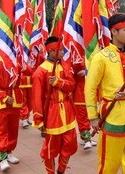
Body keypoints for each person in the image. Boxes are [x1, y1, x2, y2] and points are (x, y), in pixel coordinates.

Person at [85, 13, 125, 174]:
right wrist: (93, 116)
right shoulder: (101, 57)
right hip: (113, 116)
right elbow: (90, 88)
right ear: (113, 31)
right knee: (109, 164)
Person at [32, 36, 78, 174]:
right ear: (52, 51)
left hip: (68, 112)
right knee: (51, 148)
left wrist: (58, 82)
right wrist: (38, 119)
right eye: (60, 50)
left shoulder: (65, 66)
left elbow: (72, 86)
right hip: (52, 114)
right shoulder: (41, 71)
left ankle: (61, 170)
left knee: (69, 144)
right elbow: (37, 98)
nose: (63, 52)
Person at [0, 53, 24, 172]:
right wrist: (3, 96)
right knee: (0, 129)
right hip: (0, 101)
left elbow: (27, 71)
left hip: (15, 99)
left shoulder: (16, 60)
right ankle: (2, 157)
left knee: (13, 128)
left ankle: (9, 152)